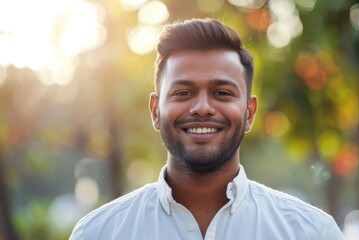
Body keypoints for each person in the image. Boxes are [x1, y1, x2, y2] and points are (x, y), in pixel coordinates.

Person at [69, 18, 344, 240]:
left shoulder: (311, 232)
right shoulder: (98, 233)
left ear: (249, 114)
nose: (202, 107)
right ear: (155, 111)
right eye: (183, 92)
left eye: (222, 93)